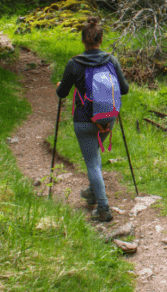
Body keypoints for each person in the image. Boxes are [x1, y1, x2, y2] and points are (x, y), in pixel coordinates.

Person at [56, 16, 129, 222]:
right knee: (94, 157)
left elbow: (62, 93)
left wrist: (59, 84)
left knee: (93, 163)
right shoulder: (111, 60)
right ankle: (91, 191)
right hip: (108, 118)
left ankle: (104, 208)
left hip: (84, 121)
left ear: (83, 40)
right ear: (100, 39)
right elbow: (124, 89)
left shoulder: (74, 63)